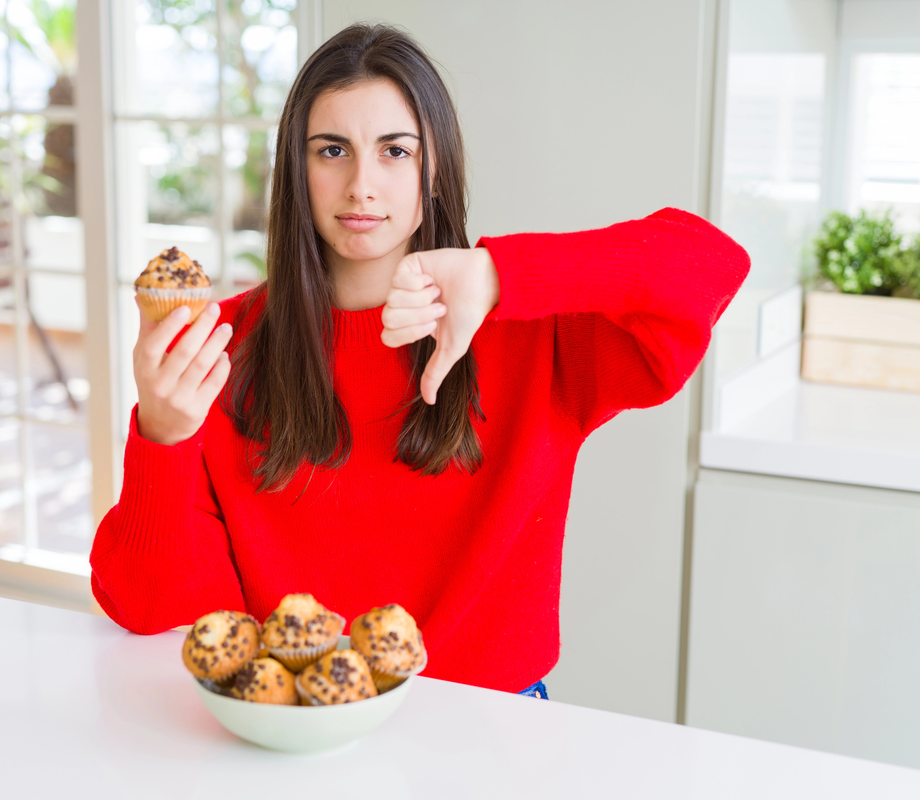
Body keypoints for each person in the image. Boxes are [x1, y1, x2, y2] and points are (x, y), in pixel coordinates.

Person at [90, 24, 750, 698]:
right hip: (293, 728)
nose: (361, 185)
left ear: (435, 168)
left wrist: (501, 276)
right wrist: (161, 437)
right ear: (297, 168)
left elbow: (708, 264)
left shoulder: (533, 332)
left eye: (394, 151)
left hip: (491, 730)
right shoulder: (218, 348)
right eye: (331, 150)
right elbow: (150, 607)